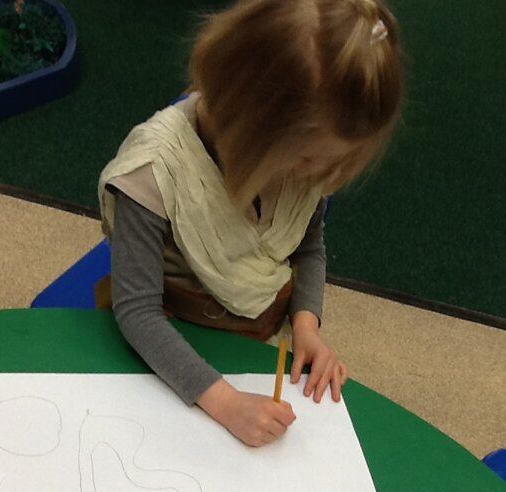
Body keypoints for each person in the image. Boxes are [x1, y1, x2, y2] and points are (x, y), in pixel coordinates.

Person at [98, 0, 403, 448]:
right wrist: (226, 403)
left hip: (253, 340)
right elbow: (137, 313)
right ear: (250, 124)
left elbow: (308, 247)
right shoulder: (152, 174)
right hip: (173, 346)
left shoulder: (298, 163)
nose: (322, 177)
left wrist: (306, 328)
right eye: (308, 158)